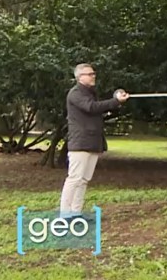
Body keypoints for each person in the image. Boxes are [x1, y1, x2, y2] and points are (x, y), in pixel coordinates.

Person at [58, 63, 128, 219]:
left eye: (93, 73)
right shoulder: (75, 93)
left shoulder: (90, 93)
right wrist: (115, 101)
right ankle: (64, 214)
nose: (93, 76)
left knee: (84, 180)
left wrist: (117, 101)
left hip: (92, 142)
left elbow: (98, 108)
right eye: (90, 74)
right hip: (80, 143)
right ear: (80, 77)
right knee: (74, 179)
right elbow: (91, 108)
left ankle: (76, 213)